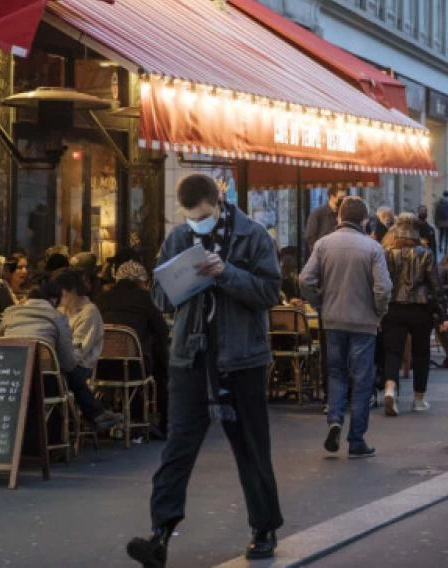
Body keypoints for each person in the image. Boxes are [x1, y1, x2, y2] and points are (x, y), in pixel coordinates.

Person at [127, 173, 283, 565]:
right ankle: (159, 533)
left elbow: (269, 292)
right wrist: (183, 280)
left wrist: (225, 273)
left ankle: (264, 528)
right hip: (190, 357)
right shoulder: (179, 239)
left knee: (251, 447)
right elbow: (160, 296)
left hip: (241, 358)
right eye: (191, 218)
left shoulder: (253, 236)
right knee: (177, 448)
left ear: (219, 202)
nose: (198, 224)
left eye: (204, 216)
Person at [300, 196, 392, 459]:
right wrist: (379, 311)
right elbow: (383, 288)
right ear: (364, 220)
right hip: (364, 324)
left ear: (339, 217)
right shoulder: (373, 248)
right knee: (362, 381)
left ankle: (335, 419)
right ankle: (356, 439)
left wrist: (320, 302)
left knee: (337, 374)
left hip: (333, 321)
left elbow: (305, 280)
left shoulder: (323, 244)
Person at [0, 273, 121, 432]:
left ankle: (95, 415)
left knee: (66, 371)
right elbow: (69, 362)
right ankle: (95, 415)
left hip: (10, 378)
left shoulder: (8, 315)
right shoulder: (57, 317)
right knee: (68, 371)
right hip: (47, 380)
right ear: (54, 300)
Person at [380, 213, 446, 416]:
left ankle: (390, 389)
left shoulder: (387, 252)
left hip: (394, 307)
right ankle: (418, 399)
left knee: (392, 351)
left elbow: (382, 283)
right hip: (420, 308)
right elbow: (436, 286)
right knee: (421, 354)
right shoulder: (425, 253)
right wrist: (443, 314)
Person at [97, 260, 171, 438]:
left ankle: (108, 416)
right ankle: (164, 422)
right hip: (134, 368)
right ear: (142, 281)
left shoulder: (102, 299)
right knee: (162, 365)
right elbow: (161, 331)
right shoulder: (145, 300)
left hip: (100, 368)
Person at [55, 268, 105, 378]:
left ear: (72, 290)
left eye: (59, 291)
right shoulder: (61, 310)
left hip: (81, 367)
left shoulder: (89, 311)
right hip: (62, 363)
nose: (56, 295)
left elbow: (78, 353)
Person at [304, 184, 348, 256]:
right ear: (332, 197)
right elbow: (310, 236)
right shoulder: (318, 214)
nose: (343, 201)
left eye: (345, 198)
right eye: (341, 198)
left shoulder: (344, 214)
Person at [434, 191, 448, 255]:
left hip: (440, 222)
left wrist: (436, 222)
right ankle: (446, 249)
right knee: (447, 236)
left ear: (443, 195)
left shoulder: (439, 202)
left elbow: (436, 213)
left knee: (441, 235)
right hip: (447, 222)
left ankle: (440, 247)